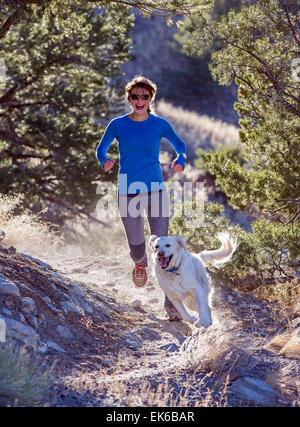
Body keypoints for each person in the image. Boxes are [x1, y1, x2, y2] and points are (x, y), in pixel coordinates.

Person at [96, 75, 187, 321]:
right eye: (135, 96)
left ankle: (171, 305)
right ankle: (139, 265)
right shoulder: (117, 124)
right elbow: (101, 149)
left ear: (151, 99)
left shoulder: (160, 124)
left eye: (144, 96)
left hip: (156, 190)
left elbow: (180, 145)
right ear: (129, 98)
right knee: (137, 246)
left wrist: (181, 159)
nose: (139, 100)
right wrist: (104, 161)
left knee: (166, 249)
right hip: (127, 191)